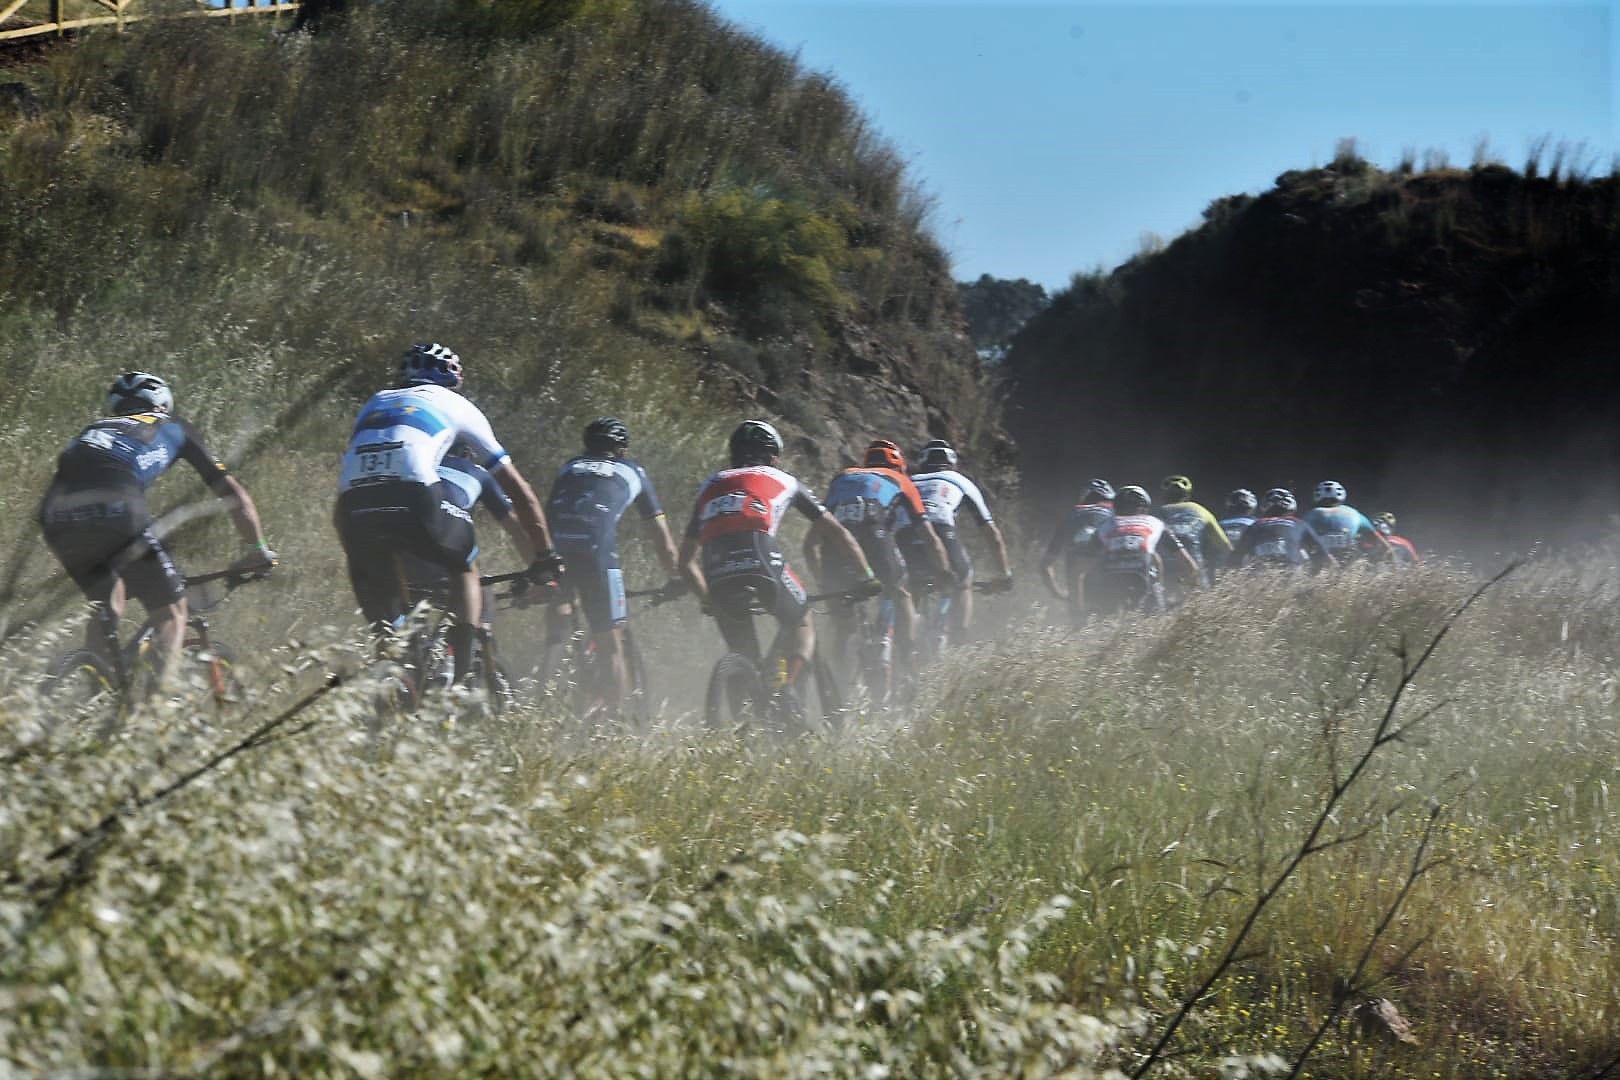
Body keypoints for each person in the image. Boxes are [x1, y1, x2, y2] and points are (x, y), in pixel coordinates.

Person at [335, 342, 561, 685]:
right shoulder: (458, 405)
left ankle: (394, 679)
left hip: (352, 507)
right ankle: (460, 669)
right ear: (450, 375)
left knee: (388, 625)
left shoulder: (375, 401)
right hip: (414, 496)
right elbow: (519, 492)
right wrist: (545, 556)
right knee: (465, 564)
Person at [39, 371, 275, 688]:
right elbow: (233, 495)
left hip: (57, 516)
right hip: (118, 507)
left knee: (108, 600)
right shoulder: (173, 425)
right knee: (172, 610)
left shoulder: (94, 429)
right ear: (162, 402)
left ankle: (94, 687)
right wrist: (256, 548)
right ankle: (151, 714)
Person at [678, 419, 873, 690]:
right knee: (802, 620)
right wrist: (867, 576)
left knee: (742, 652)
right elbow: (838, 533)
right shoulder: (785, 480)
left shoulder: (709, 485)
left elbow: (685, 562)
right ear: (772, 456)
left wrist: (708, 600)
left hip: (715, 567)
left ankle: (743, 720)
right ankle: (788, 690)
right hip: (760, 556)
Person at [544, 417, 685, 713]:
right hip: (597, 555)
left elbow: (549, 513)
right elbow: (662, 539)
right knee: (610, 644)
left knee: (562, 606)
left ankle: (552, 658)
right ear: (621, 449)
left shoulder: (568, 467)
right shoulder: (634, 471)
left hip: (555, 549)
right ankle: (611, 724)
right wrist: (675, 577)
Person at [805, 439, 950, 696]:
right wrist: (944, 572)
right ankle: (906, 654)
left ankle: (839, 679)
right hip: (875, 536)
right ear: (899, 466)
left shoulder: (843, 476)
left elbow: (814, 539)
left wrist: (823, 583)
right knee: (900, 591)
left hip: (834, 547)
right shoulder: (901, 480)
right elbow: (929, 536)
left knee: (842, 621)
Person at [903, 438, 1012, 639]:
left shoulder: (909, 481)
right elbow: (992, 535)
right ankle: (959, 638)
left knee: (906, 588)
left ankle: (904, 642)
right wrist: (1003, 574)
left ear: (922, 462)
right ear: (953, 462)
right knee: (963, 578)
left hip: (905, 536)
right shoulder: (959, 480)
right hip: (942, 532)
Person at [1084, 485, 1200, 615]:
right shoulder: (1155, 523)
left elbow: (1081, 569)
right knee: (1154, 621)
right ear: (1145, 508)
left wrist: (1081, 603)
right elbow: (1189, 565)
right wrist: (1192, 599)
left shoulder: (1105, 525)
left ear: (1116, 508)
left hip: (1110, 580)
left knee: (1108, 620)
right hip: (1143, 579)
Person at [1040, 478, 1114, 623]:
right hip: (1111, 585)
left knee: (1080, 633)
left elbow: (1045, 564)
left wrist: (1057, 593)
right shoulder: (1114, 516)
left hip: (1076, 592)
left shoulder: (1068, 518)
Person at [1155, 475, 1234, 590]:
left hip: (1165, 569)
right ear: (1187, 495)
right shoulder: (1201, 510)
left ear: (1163, 496)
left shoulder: (1156, 513)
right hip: (1195, 567)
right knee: (1200, 604)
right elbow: (1224, 545)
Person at [1230, 488, 1332, 570]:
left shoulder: (1256, 524)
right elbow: (1321, 551)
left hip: (1262, 574)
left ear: (1265, 506)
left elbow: (1236, 556)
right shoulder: (1299, 523)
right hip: (1293, 569)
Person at [1301, 480, 1392, 564]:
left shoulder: (1310, 515)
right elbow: (1378, 539)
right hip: (1350, 559)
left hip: (1320, 559)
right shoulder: (1355, 513)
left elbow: (1299, 539)